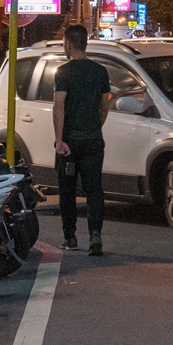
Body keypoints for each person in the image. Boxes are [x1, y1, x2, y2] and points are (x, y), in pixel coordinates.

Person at [51, 23, 112, 254]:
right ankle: (95, 235)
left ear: (68, 43)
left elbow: (59, 108)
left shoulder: (63, 72)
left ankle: (70, 238)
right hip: (94, 140)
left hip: (69, 143)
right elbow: (104, 107)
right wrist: (95, 126)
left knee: (67, 192)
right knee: (94, 189)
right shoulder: (100, 71)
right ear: (85, 43)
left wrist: (59, 140)